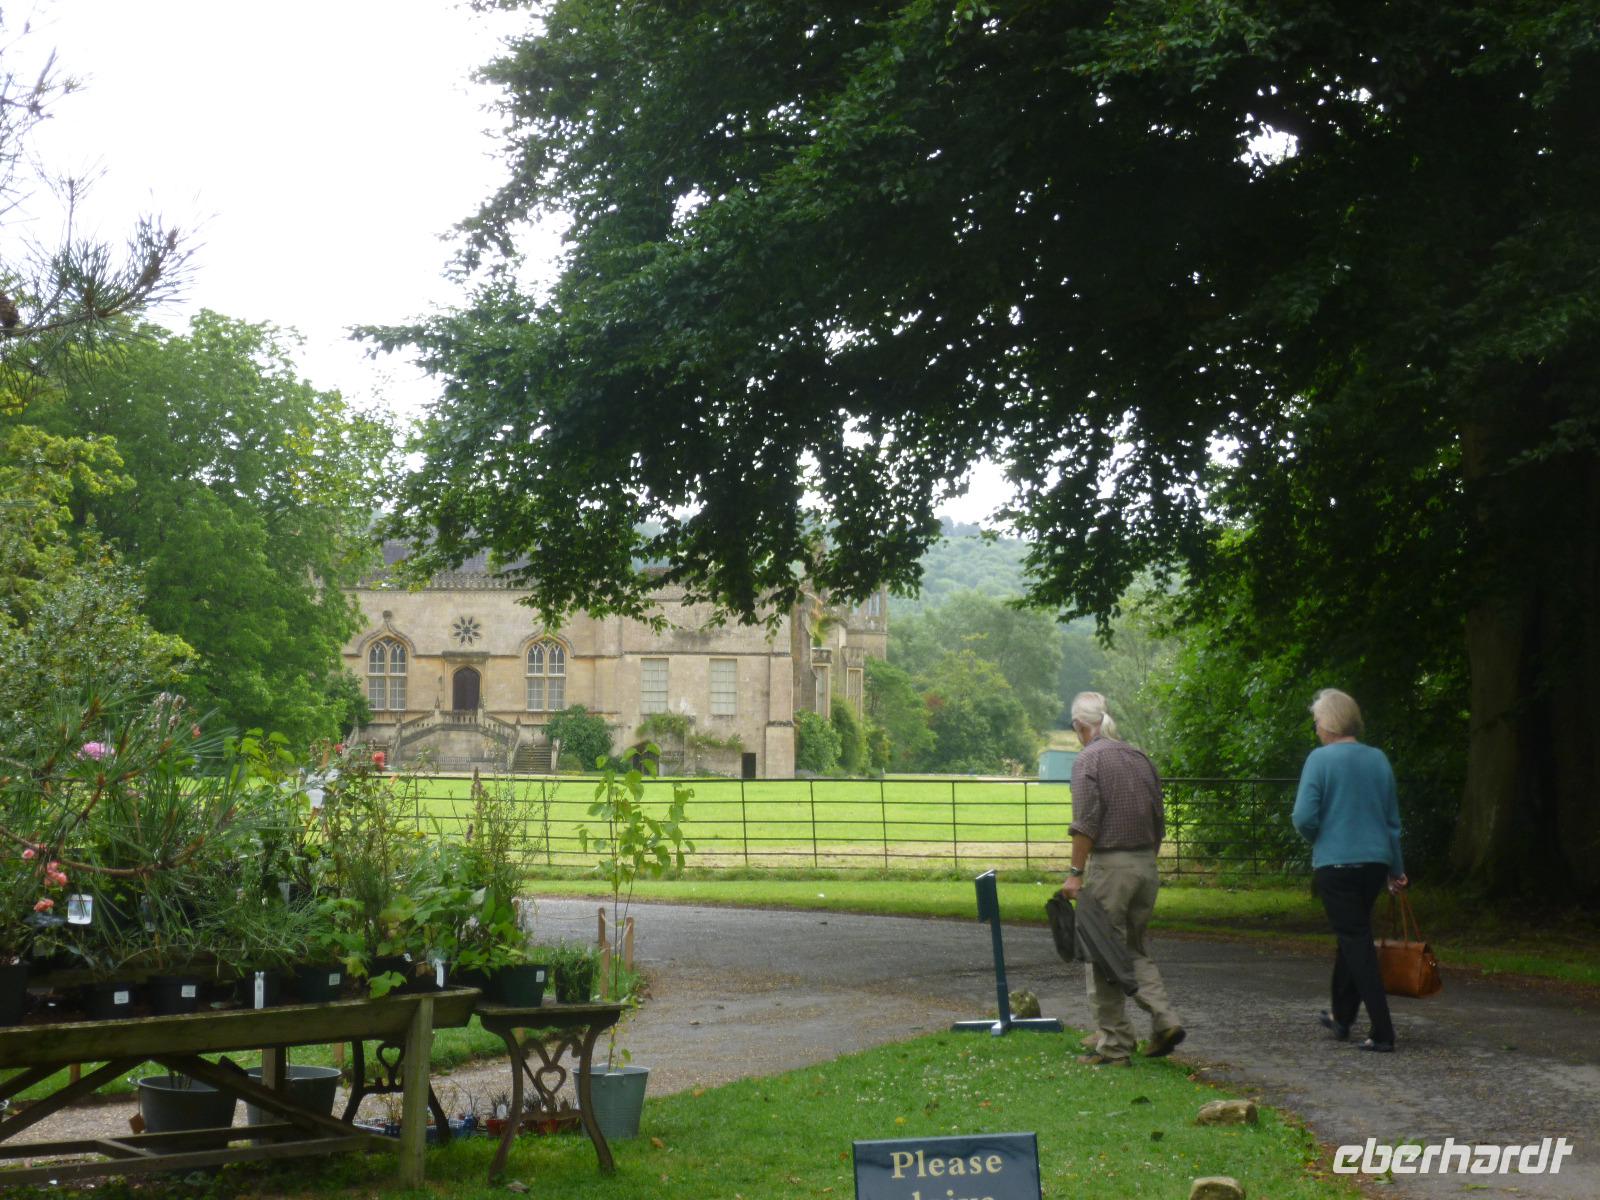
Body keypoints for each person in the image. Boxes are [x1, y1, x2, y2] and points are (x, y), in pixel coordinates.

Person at [1059, 692, 1184, 1066]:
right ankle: (1164, 1020)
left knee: (1101, 953)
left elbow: (1086, 824)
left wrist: (1075, 875)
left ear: (1081, 726)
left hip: (1111, 868)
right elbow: (1159, 818)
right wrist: (1145, 862)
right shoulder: (1140, 757)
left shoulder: (1088, 761)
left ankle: (1114, 1046)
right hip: (1146, 864)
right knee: (1133, 947)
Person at [1292, 688, 1408, 1053]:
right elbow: (1392, 822)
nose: (1315, 729)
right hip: (1374, 863)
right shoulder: (1378, 760)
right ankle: (1342, 1018)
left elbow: (1303, 817)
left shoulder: (1320, 760)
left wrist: (1320, 837)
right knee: (1353, 935)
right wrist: (1396, 869)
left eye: (1316, 722)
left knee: (1356, 940)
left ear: (1327, 723)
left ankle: (1384, 1030)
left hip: (1336, 864)